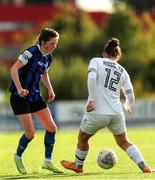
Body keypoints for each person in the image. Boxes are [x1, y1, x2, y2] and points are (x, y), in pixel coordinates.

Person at [60, 38, 154, 173]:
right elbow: (130, 94)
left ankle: (78, 166)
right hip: (116, 113)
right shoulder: (122, 70)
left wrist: (92, 100)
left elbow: (91, 78)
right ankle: (144, 166)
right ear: (118, 56)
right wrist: (128, 105)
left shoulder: (96, 61)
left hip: (98, 111)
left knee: (82, 138)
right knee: (124, 142)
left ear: (104, 53)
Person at [9, 28, 64, 174]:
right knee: (31, 133)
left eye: (56, 43)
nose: (54, 46)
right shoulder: (31, 52)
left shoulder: (48, 57)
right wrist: (20, 89)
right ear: (44, 42)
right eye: (52, 43)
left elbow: (44, 73)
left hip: (34, 96)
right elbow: (13, 69)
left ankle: (47, 162)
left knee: (52, 128)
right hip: (19, 96)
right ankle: (18, 156)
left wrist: (50, 89)